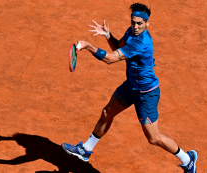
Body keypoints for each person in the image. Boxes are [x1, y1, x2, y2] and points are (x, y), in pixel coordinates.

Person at [62, 3, 197, 173]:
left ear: (147, 23)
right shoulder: (130, 32)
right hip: (131, 86)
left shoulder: (141, 42)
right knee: (106, 113)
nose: (135, 26)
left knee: (153, 138)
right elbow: (118, 48)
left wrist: (88, 46)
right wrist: (108, 35)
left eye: (140, 23)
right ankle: (86, 150)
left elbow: (110, 59)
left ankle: (187, 159)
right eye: (133, 22)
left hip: (146, 93)